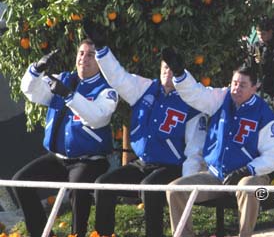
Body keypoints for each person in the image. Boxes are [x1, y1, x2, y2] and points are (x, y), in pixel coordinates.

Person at [84, 25, 207, 237]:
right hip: (143, 163)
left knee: (148, 188)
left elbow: (194, 149)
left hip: (171, 166)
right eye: (164, 68)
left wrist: (187, 183)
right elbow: (119, 78)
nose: (167, 73)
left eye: (172, 69)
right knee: (103, 184)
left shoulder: (192, 102)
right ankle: (103, 234)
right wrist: (102, 49)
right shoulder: (146, 88)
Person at [162, 49, 274, 237]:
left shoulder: (265, 115)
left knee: (247, 187)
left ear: (255, 87)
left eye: (243, 85)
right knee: (175, 190)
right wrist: (180, 75)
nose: (236, 89)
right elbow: (197, 95)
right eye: (234, 83)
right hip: (216, 174)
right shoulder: (221, 98)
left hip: (249, 175)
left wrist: (247, 170)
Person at [13, 40, 117, 237]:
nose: (83, 59)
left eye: (90, 55)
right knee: (21, 181)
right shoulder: (63, 79)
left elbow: (98, 118)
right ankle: (42, 234)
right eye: (81, 53)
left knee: (76, 188)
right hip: (59, 158)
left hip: (89, 160)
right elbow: (31, 92)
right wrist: (36, 70)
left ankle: (77, 234)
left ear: (100, 62)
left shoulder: (107, 90)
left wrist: (69, 96)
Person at [249, 18, 274, 98]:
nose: (260, 37)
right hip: (255, 86)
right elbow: (249, 65)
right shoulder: (256, 46)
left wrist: (264, 62)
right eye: (258, 34)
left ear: (270, 32)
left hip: (272, 88)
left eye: (263, 34)